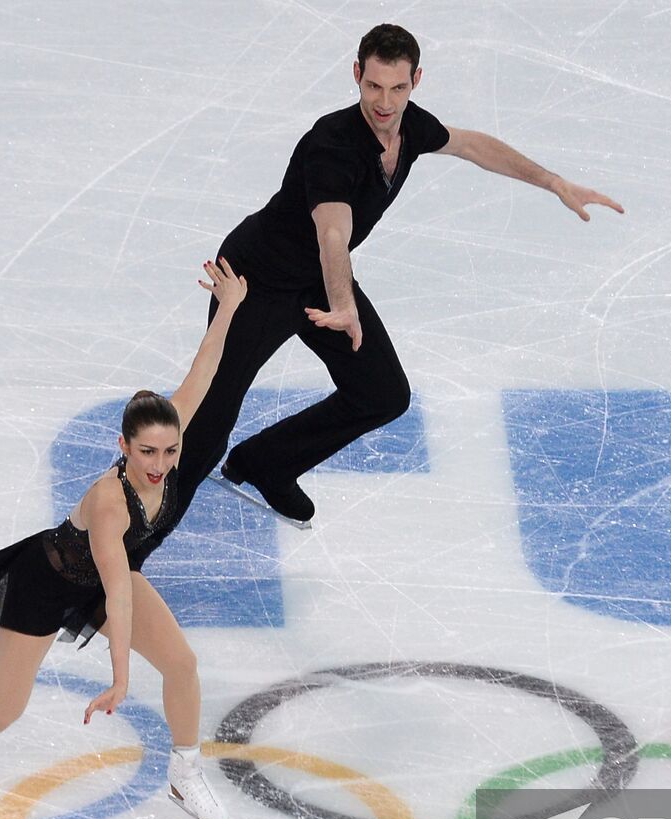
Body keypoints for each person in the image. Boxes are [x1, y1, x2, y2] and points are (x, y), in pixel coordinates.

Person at [182, 22, 624, 524]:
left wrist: (554, 181)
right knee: (207, 425)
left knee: (382, 394)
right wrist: (343, 305)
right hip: (254, 282)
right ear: (356, 76)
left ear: (416, 80)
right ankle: (123, 544)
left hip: (316, 281)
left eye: (397, 88)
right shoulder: (333, 144)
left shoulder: (410, 127)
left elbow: (473, 145)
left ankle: (267, 463)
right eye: (373, 86)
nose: (385, 102)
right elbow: (332, 236)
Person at [0, 258, 249, 819]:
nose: (160, 465)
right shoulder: (111, 504)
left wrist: (229, 307)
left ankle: (185, 771)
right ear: (124, 447)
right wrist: (120, 681)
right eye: (147, 454)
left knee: (182, 665)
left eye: (169, 451)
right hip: (48, 582)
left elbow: (203, 374)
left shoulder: (169, 433)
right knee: (3, 711)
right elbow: (116, 593)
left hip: (105, 580)